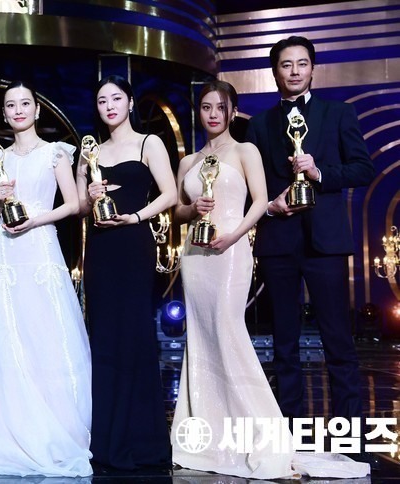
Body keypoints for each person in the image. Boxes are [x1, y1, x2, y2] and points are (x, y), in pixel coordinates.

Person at [172, 80, 369, 478]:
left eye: (220, 107)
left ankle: (265, 431)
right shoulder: (188, 161)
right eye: (206, 107)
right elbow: (177, 211)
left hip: (230, 251)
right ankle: (211, 433)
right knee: (202, 338)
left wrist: (235, 235)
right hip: (195, 255)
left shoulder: (246, 150)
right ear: (198, 112)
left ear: (232, 112)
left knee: (229, 331)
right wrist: (193, 210)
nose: (213, 114)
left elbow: (260, 200)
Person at [0, 80, 92, 477]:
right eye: (11, 105)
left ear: (37, 109)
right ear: (4, 113)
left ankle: (53, 426)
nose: (18, 110)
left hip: (41, 249)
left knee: (45, 333)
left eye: (25, 103)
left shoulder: (56, 152)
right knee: (5, 334)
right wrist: (1, 196)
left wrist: (35, 219)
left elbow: (73, 204)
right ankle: (4, 427)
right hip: (7, 253)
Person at [245, 36, 374, 442]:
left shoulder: (339, 113)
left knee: (338, 342)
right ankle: (289, 435)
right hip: (278, 242)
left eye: (302, 63)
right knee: (283, 344)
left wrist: (319, 173)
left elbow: (362, 169)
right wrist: (270, 205)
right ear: (275, 71)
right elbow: (252, 186)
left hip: (326, 244)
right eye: (287, 65)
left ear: (313, 69)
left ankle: (349, 436)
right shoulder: (258, 125)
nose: (295, 71)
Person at [75, 75, 177, 470]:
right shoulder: (91, 150)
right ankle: (106, 441)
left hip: (134, 244)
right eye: (102, 101)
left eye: (116, 98)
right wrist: (89, 194)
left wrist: (136, 216)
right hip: (101, 249)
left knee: (135, 336)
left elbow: (170, 193)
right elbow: (81, 208)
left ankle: (142, 441)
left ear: (130, 102)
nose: (110, 106)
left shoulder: (150, 143)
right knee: (103, 339)